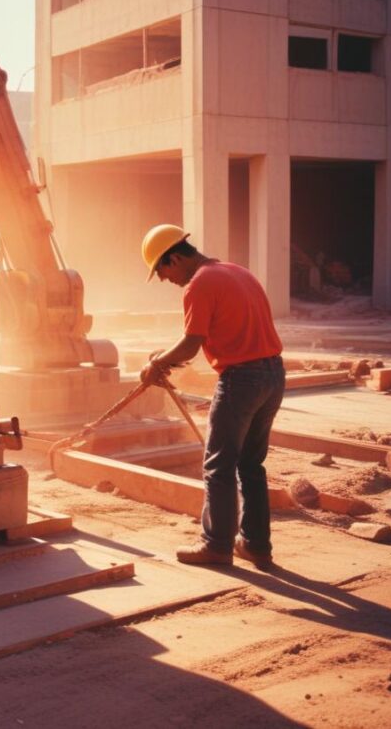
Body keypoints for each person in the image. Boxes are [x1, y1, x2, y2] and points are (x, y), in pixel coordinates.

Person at [139, 224, 284, 570]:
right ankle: (255, 545)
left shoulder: (198, 284)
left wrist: (156, 364)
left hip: (241, 381)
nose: (165, 280)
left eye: (162, 272)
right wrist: (168, 357)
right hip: (273, 375)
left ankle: (216, 545)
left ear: (174, 258)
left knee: (218, 466)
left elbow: (192, 342)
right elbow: (215, 332)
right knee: (251, 464)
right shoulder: (237, 272)